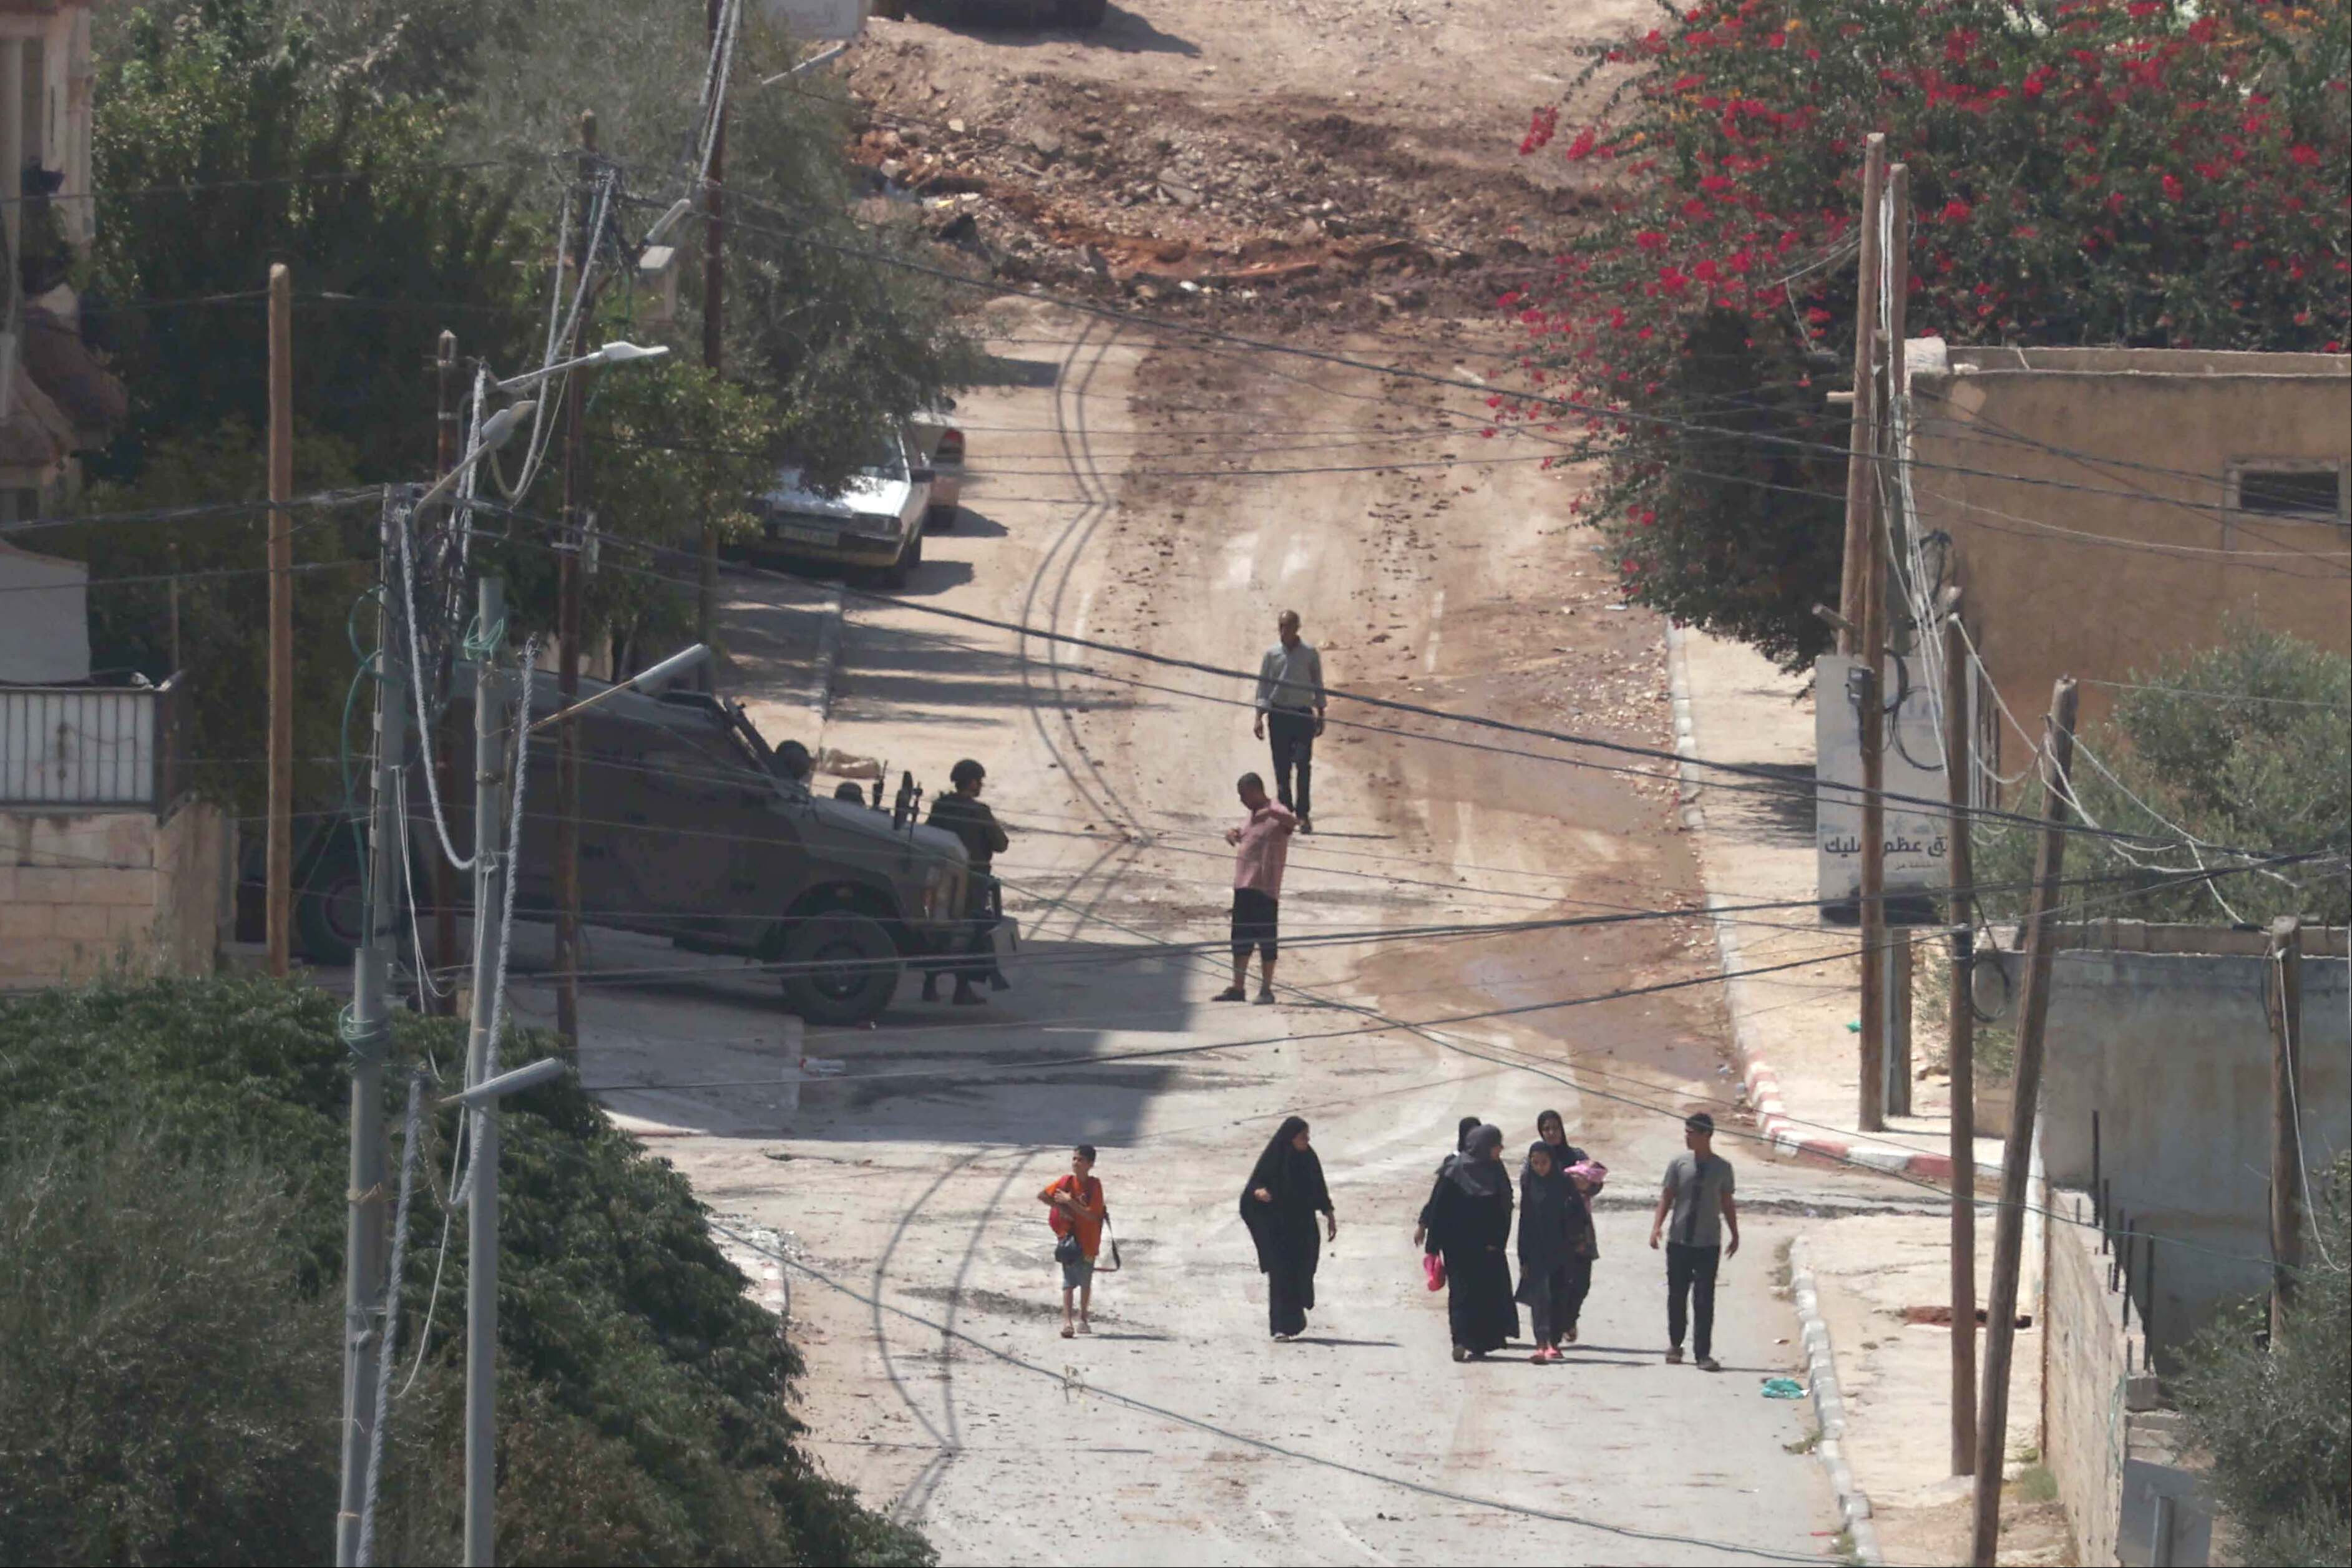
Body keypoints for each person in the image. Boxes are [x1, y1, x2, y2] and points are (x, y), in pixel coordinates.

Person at [1649, 1111, 1740, 1371]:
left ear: (1706, 1135)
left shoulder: (1722, 1168)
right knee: (1677, 1295)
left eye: (1692, 1133)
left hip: (1708, 1243)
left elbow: (1727, 1202)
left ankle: (1703, 1354)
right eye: (1686, 1132)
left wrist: (1735, 1233)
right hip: (1679, 1241)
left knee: (1704, 1299)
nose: (1687, 1137)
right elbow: (1667, 1197)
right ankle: (1675, 1345)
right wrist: (1657, 1227)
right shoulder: (1679, 1164)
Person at [1425, 1122, 1518, 1361]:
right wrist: (1432, 1247)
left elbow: (1505, 1205)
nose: (1500, 1150)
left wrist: (1498, 1240)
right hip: (1458, 1246)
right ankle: (1460, 1340)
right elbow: (1438, 1208)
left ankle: (1480, 1342)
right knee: (1462, 1293)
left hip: (1488, 1246)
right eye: (1497, 1145)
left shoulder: (1496, 1169)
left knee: (1486, 1293)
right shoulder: (1454, 1170)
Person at [1240, 1116, 1337, 1340]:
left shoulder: (1309, 1158)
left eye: (1307, 1136)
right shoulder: (1275, 1157)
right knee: (1281, 1275)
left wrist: (1329, 1213)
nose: (1307, 1140)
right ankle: (1280, 1327)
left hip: (1303, 1227)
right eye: (1303, 1136)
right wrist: (1259, 1192)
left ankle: (1296, 1318)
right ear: (1291, 1137)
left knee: (1302, 1271)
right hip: (1279, 1229)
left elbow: (1319, 1188)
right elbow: (1253, 1187)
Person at [924, 758, 1009, 1005]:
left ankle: (930, 986)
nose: (980, 785)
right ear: (972, 783)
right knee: (969, 937)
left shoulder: (941, 807)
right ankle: (962, 990)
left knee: (938, 933)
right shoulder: (979, 812)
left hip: (942, 882)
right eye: (979, 781)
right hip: (972, 886)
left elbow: (928, 834)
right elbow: (1001, 844)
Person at [1217, 772, 1296, 1004]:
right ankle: (1237, 988)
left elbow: (1293, 823)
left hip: (1265, 888)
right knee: (1240, 940)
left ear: (1255, 791)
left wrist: (1270, 812)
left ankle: (1266, 990)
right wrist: (1233, 834)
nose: (1242, 800)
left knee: (1267, 940)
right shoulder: (1250, 816)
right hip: (1244, 886)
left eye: (1244, 795)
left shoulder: (1277, 811)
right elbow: (1243, 834)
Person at [1252, 610, 1327, 833]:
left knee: (1303, 764)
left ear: (1297, 628)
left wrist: (1322, 714)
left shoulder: (1310, 654)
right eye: (1282, 626)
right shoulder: (1272, 655)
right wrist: (1259, 717)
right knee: (1282, 767)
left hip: (1303, 715)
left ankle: (1303, 815)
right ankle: (1286, 813)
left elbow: (1318, 684)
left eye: (1289, 626)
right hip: (1279, 715)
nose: (1285, 631)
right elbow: (1263, 687)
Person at [1514, 1142, 1581, 1363]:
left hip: (1562, 1249)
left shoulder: (1563, 1183)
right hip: (1536, 1250)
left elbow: (1579, 1214)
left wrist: (1577, 1239)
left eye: (1544, 1162)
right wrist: (1523, 1256)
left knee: (1559, 1296)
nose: (1540, 1167)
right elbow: (1525, 1220)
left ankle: (1554, 1342)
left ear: (1552, 1162)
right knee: (1540, 1299)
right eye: (1535, 1163)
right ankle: (1541, 1343)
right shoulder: (1529, 1183)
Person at [1040, 1144, 1109, 1338]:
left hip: (1089, 1240)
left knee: (1086, 1281)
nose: (1076, 1163)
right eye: (1074, 1159)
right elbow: (1043, 1195)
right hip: (1070, 1240)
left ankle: (1084, 1318)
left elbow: (1092, 1216)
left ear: (1091, 1164)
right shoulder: (1066, 1182)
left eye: (1081, 1160)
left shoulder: (1095, 1186)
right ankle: (1067, 1321)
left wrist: (1070, 1202)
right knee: (1068, 1282)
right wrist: (1060, 1208)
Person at [1415, 1115, 1485, 1249]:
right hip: (1454, 1235)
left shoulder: (1488, 1163)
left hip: (1480, 1237)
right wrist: (1423, 1225)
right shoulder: (1453, 1163)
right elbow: (1438, 1198)